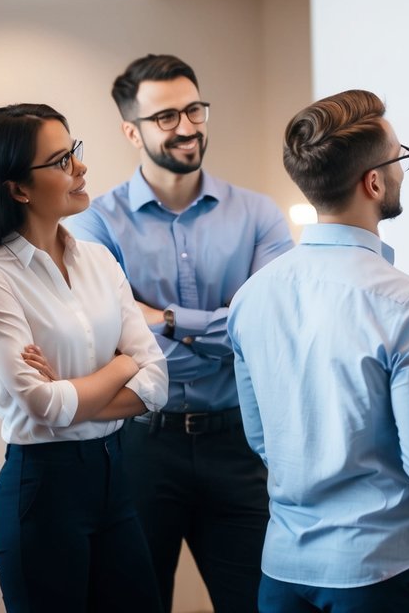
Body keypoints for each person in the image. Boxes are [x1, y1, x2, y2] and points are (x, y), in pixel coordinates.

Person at [227, 89, 409, 612]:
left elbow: (263, 440)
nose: (401, 170)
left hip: (283, 572)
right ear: (373, 182)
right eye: (399, 158)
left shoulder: (250, 297)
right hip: (379, 572)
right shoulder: (402, 302)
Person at [65, 54, 293, 613]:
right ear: (131, 131)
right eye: (166, 116)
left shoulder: (259, 215)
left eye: (194, 109)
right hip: (141, 445)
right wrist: (223, 331)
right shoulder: (94, 223)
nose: (187, 127)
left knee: (258, 604)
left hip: (240, 445)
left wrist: (158, 320)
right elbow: (105, 339)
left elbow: (266, 330)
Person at [0, 103, 168, 612]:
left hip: (115, 476)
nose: (80, 167)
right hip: (43, 490)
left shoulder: (99, 259)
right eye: (61, 160)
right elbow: (43, 404)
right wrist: (121, 365)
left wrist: (81, 388)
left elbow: (157, 381)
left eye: (74, 152)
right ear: (18, 188)